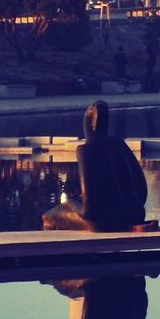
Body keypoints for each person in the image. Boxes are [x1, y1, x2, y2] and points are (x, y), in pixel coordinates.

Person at [43, 99, 148, 231]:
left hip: (103, 222)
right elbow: (141, 189)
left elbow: (90, 211)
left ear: (88, 124)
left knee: (48, 217)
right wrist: (132, 205)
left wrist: (70, 202)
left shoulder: (86, 150)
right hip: (135, 214)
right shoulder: (119, 144)